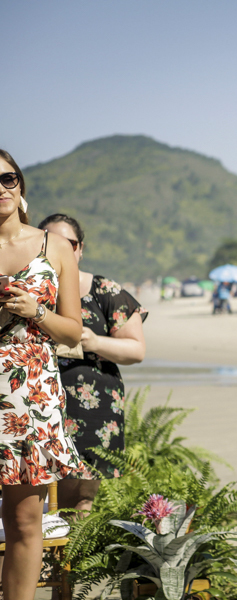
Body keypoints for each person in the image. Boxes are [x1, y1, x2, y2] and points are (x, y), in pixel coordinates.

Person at [0, 150, 89, 599]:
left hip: (30, 397)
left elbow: (72, 332)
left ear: (21, 186)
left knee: (24, 521)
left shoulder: (54, 248)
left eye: (8, 178)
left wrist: (36, 311)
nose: (0, 188)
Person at [38, 214, 147, 514]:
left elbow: (136, 350)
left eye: (67, 243)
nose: (58, 249)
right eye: (48, 242)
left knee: (81, 502)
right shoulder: (30, 290)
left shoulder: (106, 291)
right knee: (31, 499)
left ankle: (75, 561)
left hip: (93, 410)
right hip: (37, 403)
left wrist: (91, 341)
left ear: (80, 248)